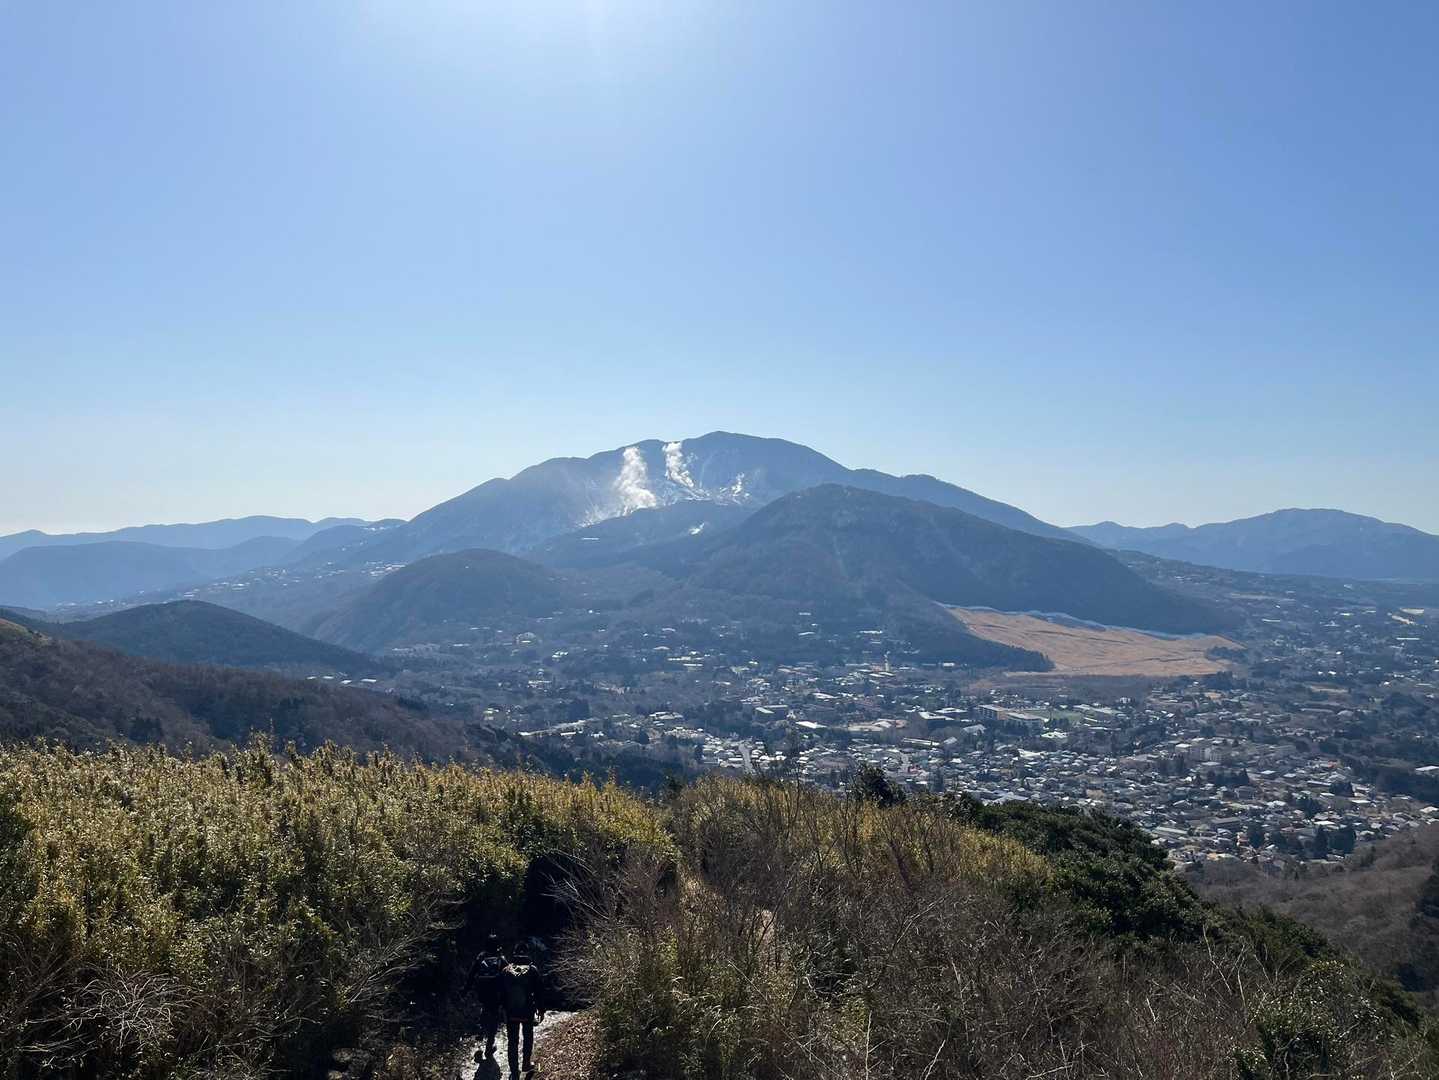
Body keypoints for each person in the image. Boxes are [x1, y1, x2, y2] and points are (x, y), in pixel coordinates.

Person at [499, 944, 545, 1079]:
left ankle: (514, 1070)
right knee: (528, 1037)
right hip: (527, 1011)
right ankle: (526, 1064)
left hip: (511, 1011)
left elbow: (501, 993)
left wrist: (502, 1009)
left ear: (514, 954)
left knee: (512, 1041)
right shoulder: (533, 970)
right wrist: (541, 1010)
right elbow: (539, 992)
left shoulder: (506, 970)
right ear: (527, 953)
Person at [465, 934, 506, 1061]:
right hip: (496, 994)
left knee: (484, 1011)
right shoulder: (501, 958)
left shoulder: (480, 957)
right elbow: (509, 975)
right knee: (494, 1019)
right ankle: (489, 1047)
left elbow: (471, 975)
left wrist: (465, 990)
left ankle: (479, 1040)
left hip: (482, 993)